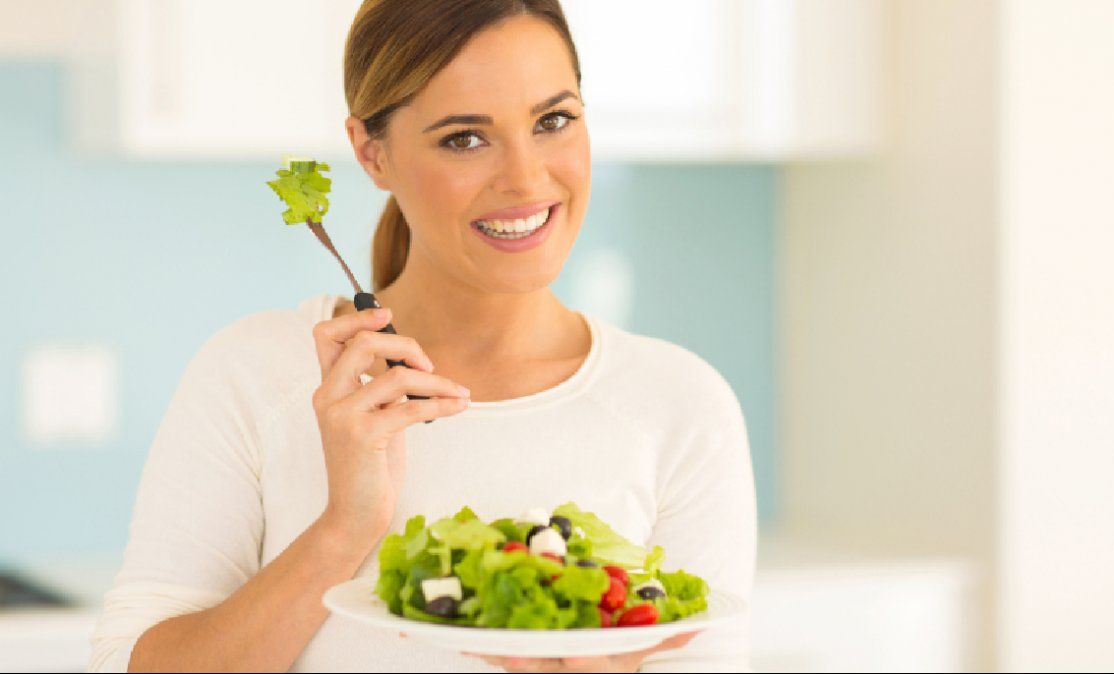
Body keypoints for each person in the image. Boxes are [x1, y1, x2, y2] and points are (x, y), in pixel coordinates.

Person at [88, 1, 756, 671]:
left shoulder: (679, 405)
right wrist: (342, 532)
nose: (526, 178)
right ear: (371, 153)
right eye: (465, 137)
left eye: (553, 121)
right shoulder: (257, 373)